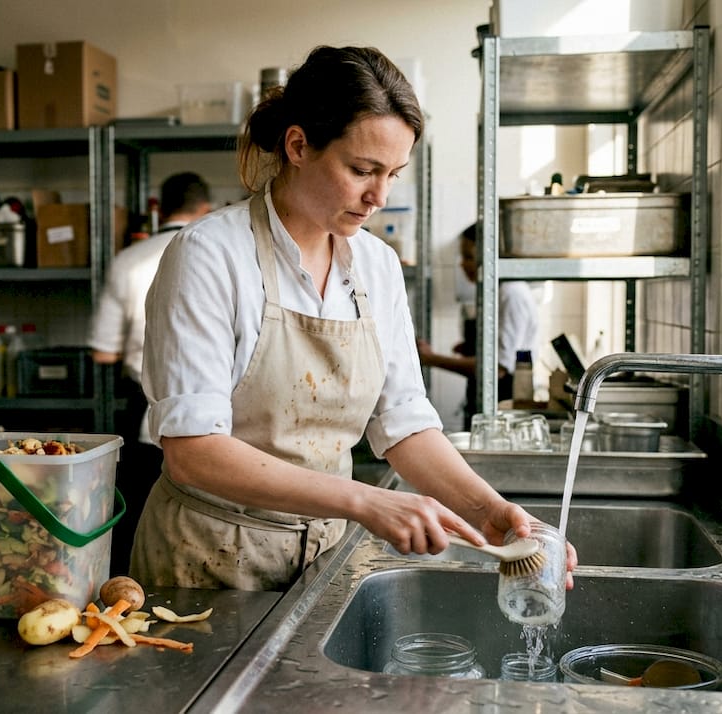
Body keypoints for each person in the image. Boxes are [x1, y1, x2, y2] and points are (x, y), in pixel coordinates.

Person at [133, 46, 575, 590]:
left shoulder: (376, 265)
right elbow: (194, 454)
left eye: (393, 173)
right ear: (298, 145)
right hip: (203, 559)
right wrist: (366, 501)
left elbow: (405, 423)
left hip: (321, 559)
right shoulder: (210, 255)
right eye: (362, 170)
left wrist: (490, 511)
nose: (378, 197)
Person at [89, 171, 213, 575]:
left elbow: (104, 353)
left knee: (138, 519)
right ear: (206, 209)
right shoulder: (217, 254)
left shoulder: (128, 259)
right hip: (212, 414)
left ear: (159, 208)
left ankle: (131, 603)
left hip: (143, 406)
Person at [416, 223, 539, 427]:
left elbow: (497, 369)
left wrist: (431, 358)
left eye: (469, 257)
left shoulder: (512, 294)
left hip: (503, 404)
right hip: (484, 401)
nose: (462, 265)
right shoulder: (495, 291)